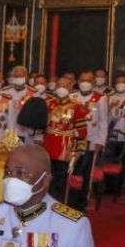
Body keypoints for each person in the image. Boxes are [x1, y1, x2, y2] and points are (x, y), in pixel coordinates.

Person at [43, 75, 88, 203]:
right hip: (48, 146)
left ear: (70, 88)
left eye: (65, 86)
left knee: (61, 180)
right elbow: (41, 126)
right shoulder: (48, 103)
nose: (61, 88)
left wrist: (79, 150)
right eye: (59, 85)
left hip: (65, 149)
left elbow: (83, 131)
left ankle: (59, 206)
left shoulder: (76, 106)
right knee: (47, 178)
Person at [70, 71, 109, 211]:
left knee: (86, 173)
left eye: (88, 80)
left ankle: (82, 204)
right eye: (82, 80)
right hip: (74, 141)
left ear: (93, 83)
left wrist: (101, 141)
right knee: (72, 171)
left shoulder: (101, 98)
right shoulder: (72, 96)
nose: (85, 83)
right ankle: (70, 201)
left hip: (91, 141)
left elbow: (103, 122)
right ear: (78, 81)